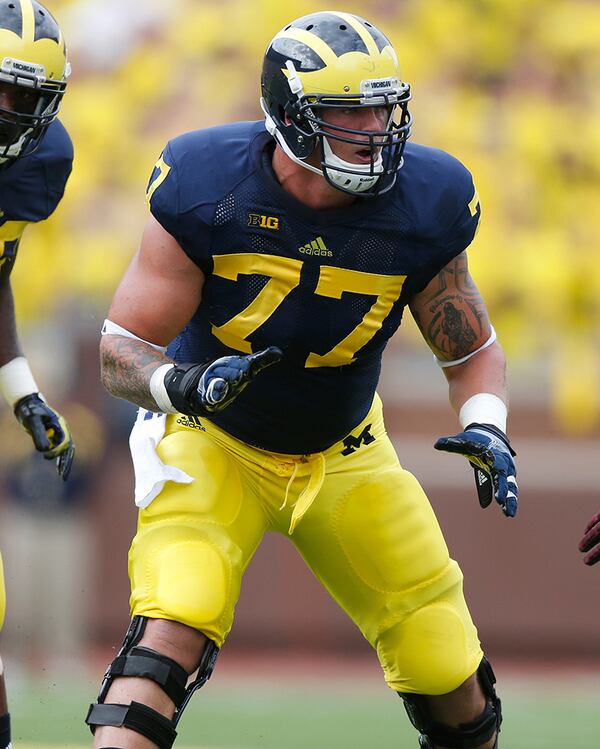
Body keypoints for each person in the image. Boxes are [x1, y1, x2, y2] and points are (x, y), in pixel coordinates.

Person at [88, 11, 518, 749]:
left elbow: (469, 348)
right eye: (348, 109)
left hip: (346, 449)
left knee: (449, 668)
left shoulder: (428, 199)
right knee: (169, 631)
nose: (375, 126)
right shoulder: (207, 185)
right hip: (211, 437)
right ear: (291, 116)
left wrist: (487, 421)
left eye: (382, 105)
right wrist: (183, 387)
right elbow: (120, 350)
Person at [0, 1, 74, 746]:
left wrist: (22, 389)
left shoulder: (37, 162)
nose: (5, 113)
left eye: (21, 97)